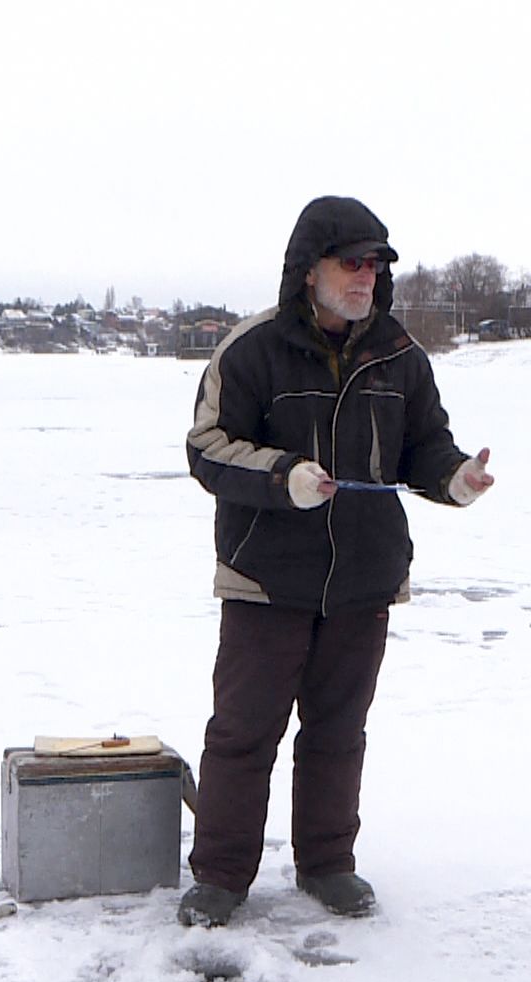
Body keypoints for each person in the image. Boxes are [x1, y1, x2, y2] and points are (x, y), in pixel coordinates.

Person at [178, 195, 495, 928]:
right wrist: (285, 476)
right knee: (243, 732)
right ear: (309, 270)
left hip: (363, 578)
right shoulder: (251, 350)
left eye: (377, 264)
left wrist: (455, 479)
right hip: (266, 577)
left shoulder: (399, 356)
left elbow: (425, 449)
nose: (367, 277)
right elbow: (208, 449)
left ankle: (327, 864)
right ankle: (221, 876)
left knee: (338, 730)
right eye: (351, 262)